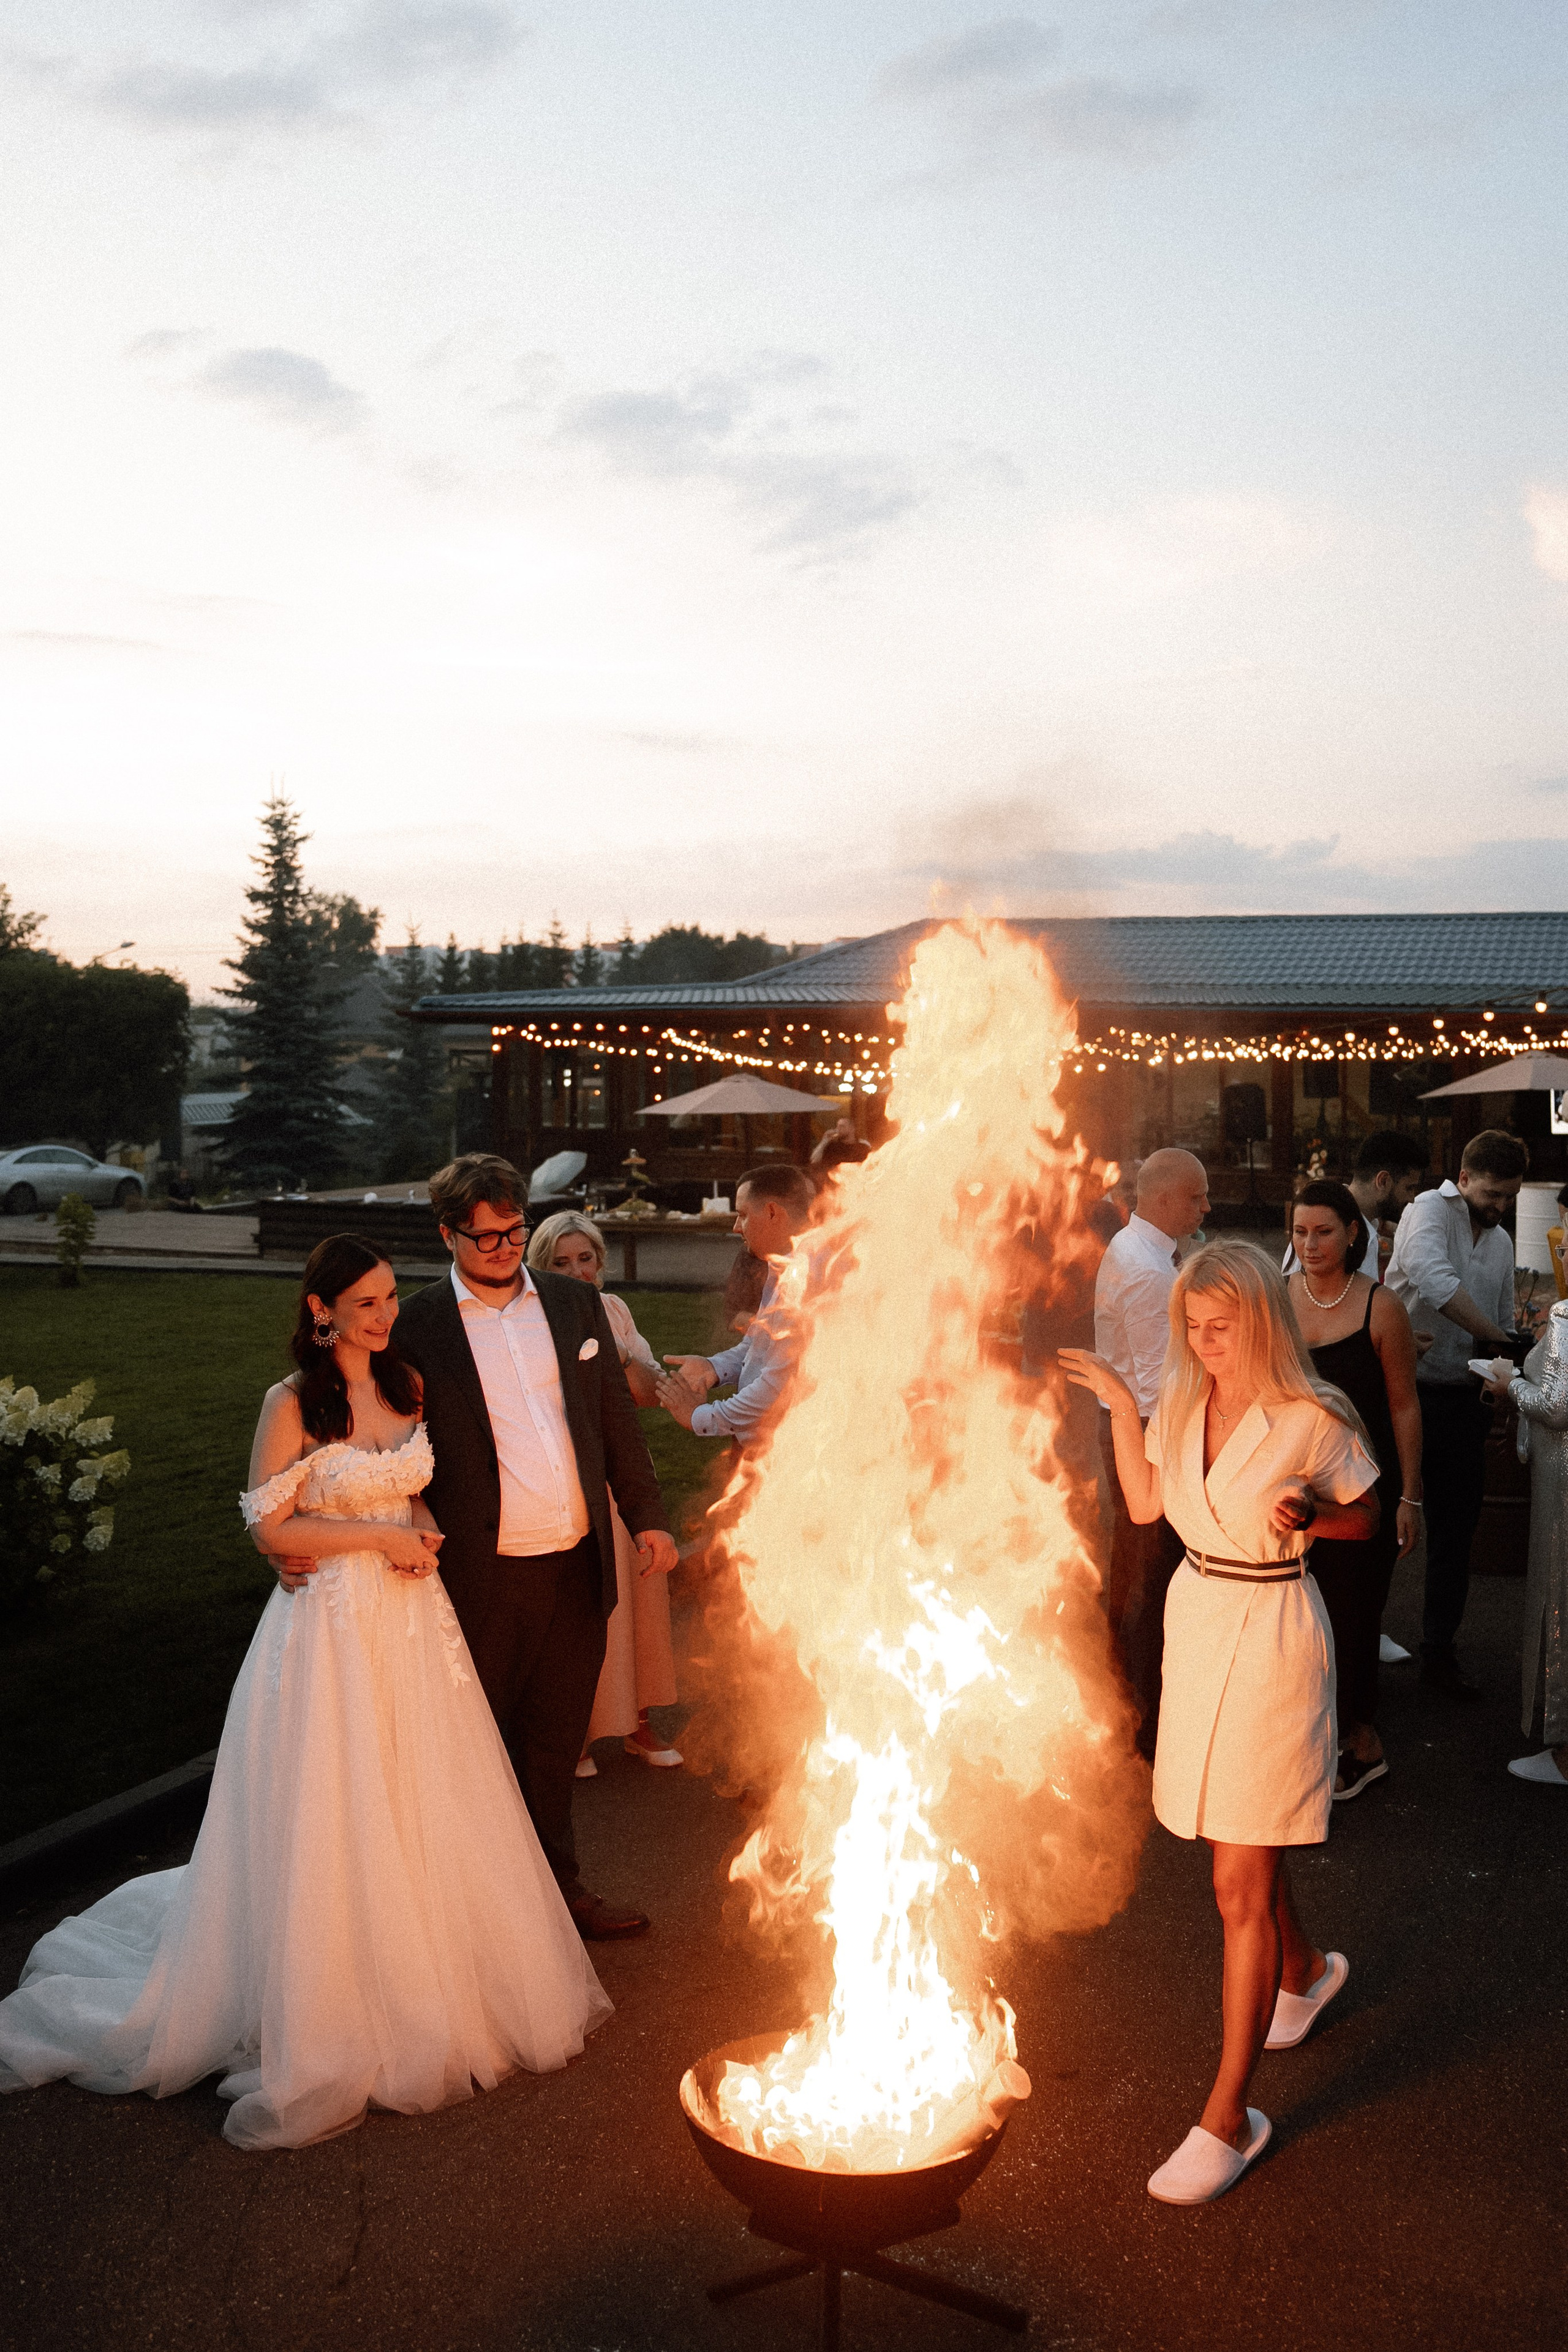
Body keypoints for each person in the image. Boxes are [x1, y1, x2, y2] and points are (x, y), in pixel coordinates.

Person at [0, 1235, 611, 2150]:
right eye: (364, 1304)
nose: (384, 1316)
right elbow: (268, 1523)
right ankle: (331, 1992)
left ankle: (432, 1971)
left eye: (387, 1300)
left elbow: (410, 1490)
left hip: (415, 1624)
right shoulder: (290, 1403)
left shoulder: (404, 1386)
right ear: (321, 1310)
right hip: (331, 1629)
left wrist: (423, 1529)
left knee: (423, 1792)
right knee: (337, 1798)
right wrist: (376, 1542)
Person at [1063, 1240, 1379, 2206]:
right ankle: (1306, 1969)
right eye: (1192, 1329)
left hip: (1278, 1632)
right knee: (1233, 1834)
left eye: (1222, 1328)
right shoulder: (1186, 1400)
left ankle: (1229, 2116)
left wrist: (1314, 1516)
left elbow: (1367, 1518)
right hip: (1197, 1624)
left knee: (1236, 1874)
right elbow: (1152, 1504)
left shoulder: (1312, 1416)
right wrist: (1124, 1407)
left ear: (1263, 1322)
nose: (1205, 1346)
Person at [394, 1155, 677, 1942]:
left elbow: (614, 1420)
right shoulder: (416, 1325)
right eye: (482, 1237)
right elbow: (379, 1436)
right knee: (475, 1748)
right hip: (480, 1575)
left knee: (555, 1749)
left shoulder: (573, 1304)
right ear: (447, 1234)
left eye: (512, 1230)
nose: (501, 1248)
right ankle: (471, 1915)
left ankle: (560, 1896)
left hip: (575, 1566)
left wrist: (647, 1516)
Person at [527, 1210, 682, 1776]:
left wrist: (615, 1351)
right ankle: (583, 1734)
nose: (577, 1271)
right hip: (569, 1474)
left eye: (586, 1259)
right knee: (587, 1606)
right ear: (542, 1267)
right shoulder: (535, 1316)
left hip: (625, 1470)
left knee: (640, 1595)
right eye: (562, 1262)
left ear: (600, 1261)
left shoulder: (614, 1310)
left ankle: (640, 1723)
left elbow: (645, 1391)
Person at [1287, 1181, 1423, 1797]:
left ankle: (1362, 1743)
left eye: (1323, 1231)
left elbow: (1403, 1407)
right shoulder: (1279, 1296)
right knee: (1296, 1613)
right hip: (1297, 1483)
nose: (1310, 1244)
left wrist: (1410, 1497)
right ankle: (1312, 1734)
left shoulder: (1380, 1306)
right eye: (1299, 1232)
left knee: (1353, 1613)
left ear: (1351, 1234)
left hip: (1362, 1487)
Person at [1386, 1128, 1528, 1698]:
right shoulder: (1428, 1209)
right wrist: (1501, 1339)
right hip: (1404, 1392)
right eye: (1492, 1193)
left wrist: (1504, 1390)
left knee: (1456, 1531)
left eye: (1510, 1197)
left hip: (1459, 1400)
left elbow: (1500, 1317)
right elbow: (1435, 1281)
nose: (1500, 1207)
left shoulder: (1500, 1242)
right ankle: (1355, 1637)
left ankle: (1439, 1652)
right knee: (1382, 1522)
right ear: (1464, 1179)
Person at [1091, 1148, 1210, 1760]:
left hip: (1134, 1421)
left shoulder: (1146, 1251)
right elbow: (1167, 1380)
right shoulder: (1148, 1270)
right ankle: (1144, 1718)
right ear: (1160, 1199)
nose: (1206, 1207)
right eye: (1196, 1198)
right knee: (1151, 1575)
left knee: (1142, 1572)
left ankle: (1134, 1699)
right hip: (1144, 1428)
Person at [657, 1164, 816, 1442]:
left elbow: (777, 1387)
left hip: (792, 1452)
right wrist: (714, 1368)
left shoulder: (810, 1276)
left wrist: (700, 1416)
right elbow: (759, 1343)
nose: (735, 1227)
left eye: (742, 1215)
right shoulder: (784, 1267)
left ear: (771, 1212)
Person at [1479, 1308, 1568, 1786]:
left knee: (1561, 1599)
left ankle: (1565, 1751)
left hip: (1563, 1485)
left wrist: (1507, 1385)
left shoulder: (1566, 1317)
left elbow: (1556, 1404)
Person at [1281, 1130, 1426, 1281]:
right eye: (1409, 1188)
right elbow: (1293, 1296)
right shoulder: (1326, 1220)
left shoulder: (1366, 1226)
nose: (1412, 1199)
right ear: (1383, 1181)